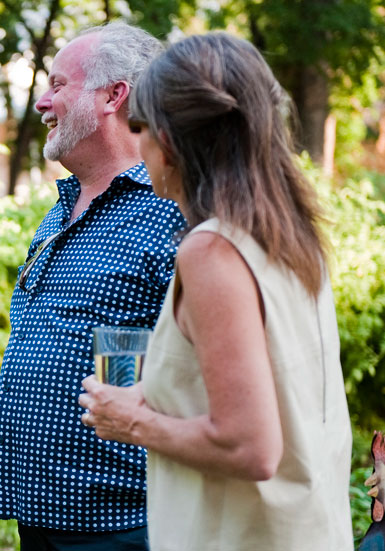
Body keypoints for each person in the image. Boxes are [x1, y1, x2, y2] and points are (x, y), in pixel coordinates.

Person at [79, 32, 353, 550]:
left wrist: (133, 421)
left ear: (170, 139)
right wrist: (155, 395)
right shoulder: (289, 235)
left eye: (139, 127)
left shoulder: (212, 251)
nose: (139, 146)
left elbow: (250, 447)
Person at [0, 22, 186, 550]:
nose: (41, 102)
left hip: (121, 522)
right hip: (38, 513)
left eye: (57, 85)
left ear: (113, 96)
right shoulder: (59, 210)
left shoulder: (171, 211)